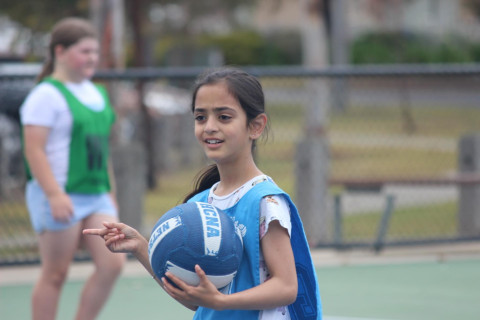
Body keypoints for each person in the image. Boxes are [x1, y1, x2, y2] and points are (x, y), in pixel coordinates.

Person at [83, 67, 322, 319]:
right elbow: (196, 302)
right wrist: (142, 248)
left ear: (255, 126)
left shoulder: (264, 201)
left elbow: (286, 287)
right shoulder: (199, 205)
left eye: (224, 117)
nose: (209, 127)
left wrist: (221, 301)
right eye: (200, 117)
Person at [20, 17, 125, 320]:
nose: (92, 58)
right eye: (84, 51)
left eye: (95, 52)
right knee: (56, 273)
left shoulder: (97, 93)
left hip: (96, 193)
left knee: (112, 264)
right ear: (60, 52)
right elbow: (33, 149)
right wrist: (54, 194)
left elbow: (101, 150)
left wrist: (110, 192)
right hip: (58, 193)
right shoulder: (45, 95)